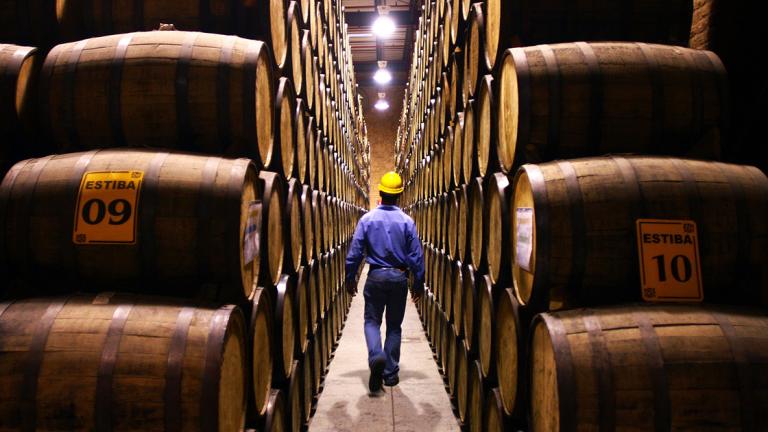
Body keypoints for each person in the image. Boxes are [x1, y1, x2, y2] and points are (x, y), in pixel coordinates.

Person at [345, 171, 425, 393]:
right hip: (399, 277)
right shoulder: (407, 222)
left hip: (376, 276)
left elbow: (355, 252)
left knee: (371, 322)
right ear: (399, 195)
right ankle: (390, 374)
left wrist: (350, 277)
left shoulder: (367, 219)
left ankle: (375, 357)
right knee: (394, 327)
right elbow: (416, 257)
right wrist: (418, 283)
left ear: (380, 192)